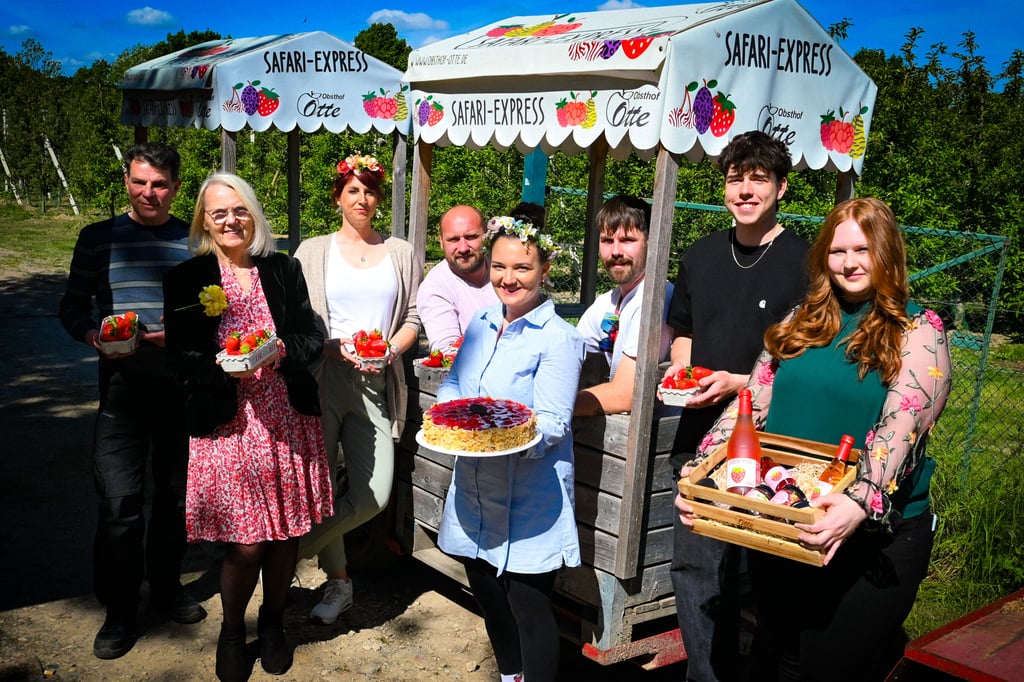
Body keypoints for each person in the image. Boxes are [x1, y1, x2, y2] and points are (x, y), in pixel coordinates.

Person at [676, 197, 952, 682]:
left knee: (831, 665)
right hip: (791, 517)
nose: (849, 263)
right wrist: (702, 473)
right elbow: (749, 408)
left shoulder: (917, 330)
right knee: (779, 653)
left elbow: (902, 425)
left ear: (887, 253)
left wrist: (860, 500)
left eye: (863, 250)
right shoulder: (799, 322)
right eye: (838, 251)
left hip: (869, 533)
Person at [163, 172, 333, 681]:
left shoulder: (283, 269)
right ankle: (233, 631)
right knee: (246, 543)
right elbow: (179, 358)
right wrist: (220, 366)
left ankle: (274, 624)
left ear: (253, 215)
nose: (231, 220)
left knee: (284, 537)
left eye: (239, 210)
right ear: (204, 221)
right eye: (219, 213)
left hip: (285, 419)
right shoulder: (186, 279)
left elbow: (310, 337)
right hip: (227, 426)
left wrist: (280, 351)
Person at [664, 130, 810, 681]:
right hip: (700, 440)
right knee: (696, 571)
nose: (745, 190)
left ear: (781, 187)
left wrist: (739, 383)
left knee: (770, 579)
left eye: (758, 179)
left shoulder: (805, 262)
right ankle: (706, 675)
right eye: (735, 179)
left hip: (773, 449)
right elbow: (683, 330)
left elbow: (807, 361)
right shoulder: (701, 254)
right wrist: (684, 371)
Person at [58, 142, 206, 660]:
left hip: (178, 388)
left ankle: (166, 589)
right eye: (140, 182)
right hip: (121, 388)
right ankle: (119, 609)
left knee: (173, 500)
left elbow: (211, 313)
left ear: (176, 188)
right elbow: (72, 307)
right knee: (119, 502)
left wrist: (181, 333)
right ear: (126, 181)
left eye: (159, 184)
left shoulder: (194, 242)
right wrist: (92, 336)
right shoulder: (97, 238)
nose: (149, 193)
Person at [436, 215, 584, 682]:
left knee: (527, 606)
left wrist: (497, 439)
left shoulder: (559, 337)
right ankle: (509, 676)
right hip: (474, 486)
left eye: (522, 267)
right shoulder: (481, 322)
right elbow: (455, 384)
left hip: (530, 494)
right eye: (499, 266)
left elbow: (554, 422)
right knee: (485, 590)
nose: (508, 278)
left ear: (544, 269)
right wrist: (447, 418)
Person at [295, 154, 422, 625]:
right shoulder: (312, 251)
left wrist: (391, 349)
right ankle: (340, 584)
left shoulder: (401, 252)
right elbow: (296, 322)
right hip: (323, 378)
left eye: (370, 190)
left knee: (373, 494)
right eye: (353, 190)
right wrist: (329, 347)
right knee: (322, 486)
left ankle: (289, 552)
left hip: (375, 381)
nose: (362, 199)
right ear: (337, 197)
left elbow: (413, 317)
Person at [574, 194, 674, 416]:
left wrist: (547, 407)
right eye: (607, 241)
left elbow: (626, 395)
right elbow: (570, 351)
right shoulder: (607, 301)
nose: (616, 252)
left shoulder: (657, 299)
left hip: (656, 431)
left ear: (651, 241)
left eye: (628, 240)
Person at [417, 204, 498, 351]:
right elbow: (447, 351)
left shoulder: (505, 269)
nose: (463, 248)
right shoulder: (435, 288)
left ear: (486, 236)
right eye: (453, 239)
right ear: (441, 242)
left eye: (471, 237)